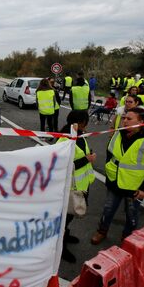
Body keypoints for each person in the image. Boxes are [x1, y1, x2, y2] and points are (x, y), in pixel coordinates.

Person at [91, 108, 144, 244]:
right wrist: (108, 169)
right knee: (108, 209)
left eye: (129, 119)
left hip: (134, 187)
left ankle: (127, 237)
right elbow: (109, 153)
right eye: (124, 118)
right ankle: (102, 231)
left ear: (141, 121)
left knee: (132, 214)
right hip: (114, 181)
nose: (124, 121)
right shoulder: (118, 134)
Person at [57, 110, 96, 263]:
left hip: (80, 185)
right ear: (79, 123)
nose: (87, 125)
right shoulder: (66, 138)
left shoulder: (78, 134)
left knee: (70, 216)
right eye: (85, 122)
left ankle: (65, 235)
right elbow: (61, 164)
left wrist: (87, 157)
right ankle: (61, 247)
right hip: (70, 187)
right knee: (64, 218)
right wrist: (86, 159)